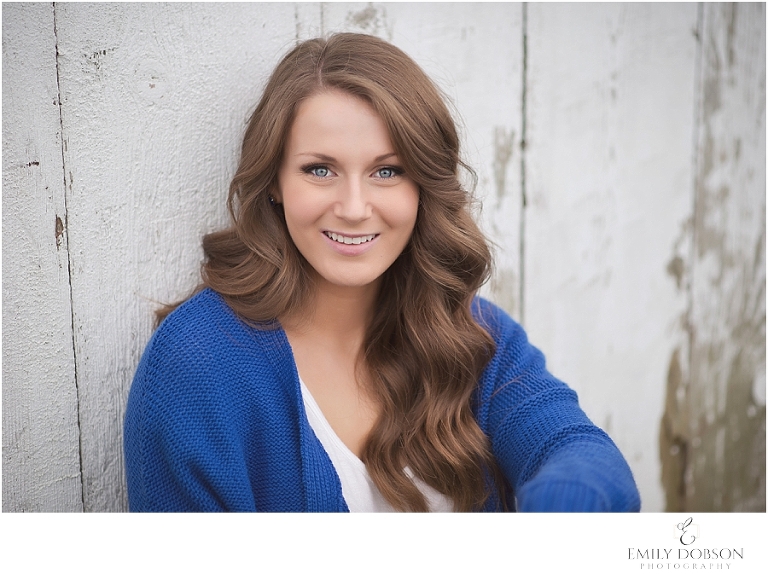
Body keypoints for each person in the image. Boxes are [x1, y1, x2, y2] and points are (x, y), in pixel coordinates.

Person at [123, 33, 641, 512]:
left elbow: (576, 450)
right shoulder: (196, 365)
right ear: (276, 181)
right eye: (319, 169)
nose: (353, 207)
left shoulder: (469, 333)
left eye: (387, 171)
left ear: (423, 186)